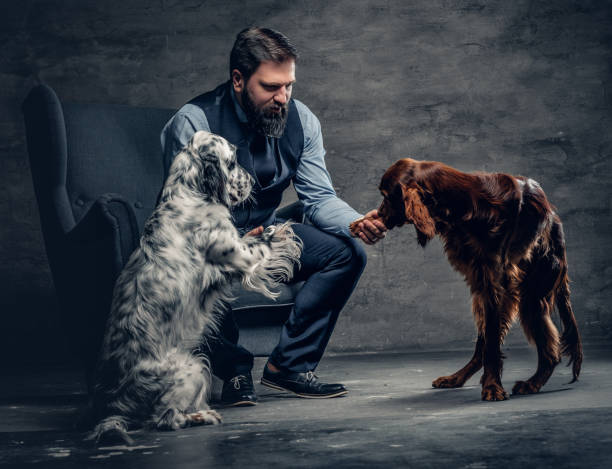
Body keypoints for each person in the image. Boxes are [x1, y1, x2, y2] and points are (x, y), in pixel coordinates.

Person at [160, 27, 386, 406]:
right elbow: (187, 216)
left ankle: (289, 368)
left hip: (266, 234)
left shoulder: (303, 121)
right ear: (238, 80)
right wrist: (232, 243)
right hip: (202, 242)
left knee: (346, 253)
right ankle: (232, 372)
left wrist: (353, 221)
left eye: (289, 86)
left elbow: (318, 198)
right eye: (270, 87)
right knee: (195, 269)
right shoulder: (193, 122)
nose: (283, 98)